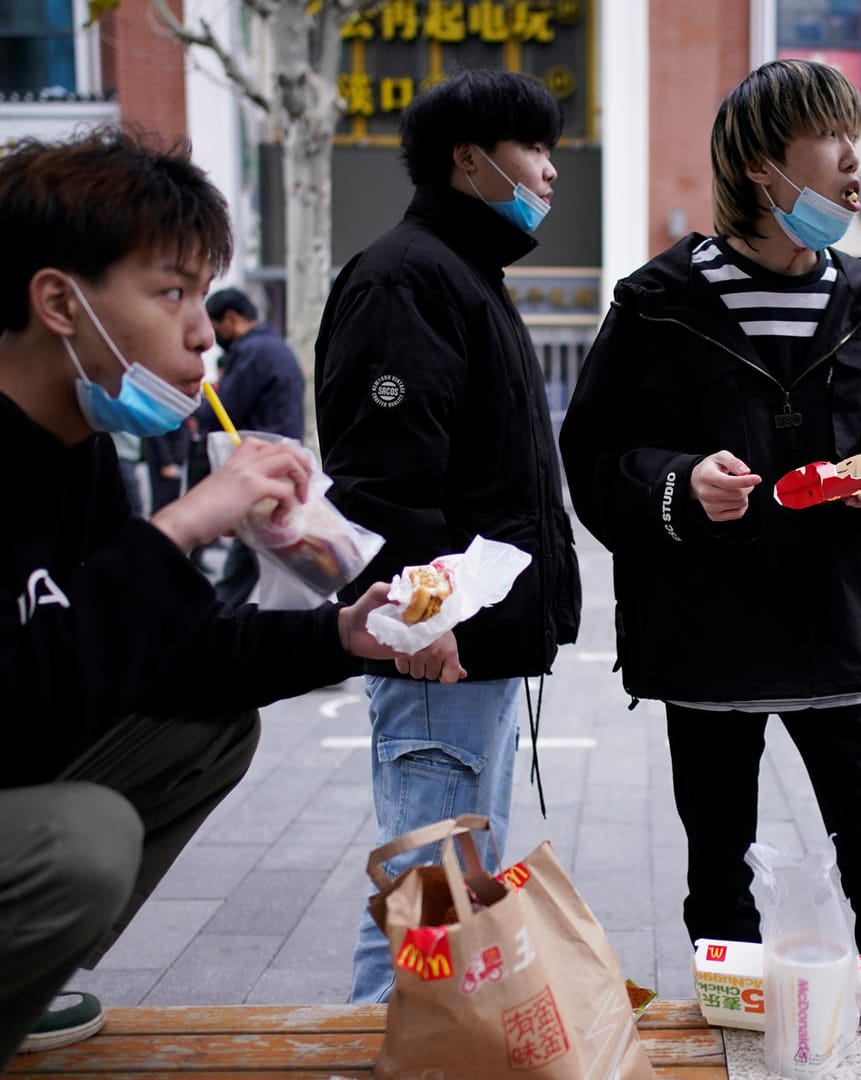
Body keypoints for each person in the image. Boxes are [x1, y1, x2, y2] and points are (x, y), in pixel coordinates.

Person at [0, 129, 461, 1080]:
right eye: (170, 291)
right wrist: (179, 529)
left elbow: (170, 660)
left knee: (208, 731)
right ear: (59, 301)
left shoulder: (68, 443)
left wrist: (346, 634)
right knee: (81, 845)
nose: (200, 330)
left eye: (199, 291)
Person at [559, 59, 861, 992]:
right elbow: (595, 458)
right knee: (719, 884)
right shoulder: (656, 303)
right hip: (706, 646)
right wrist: (678, 486)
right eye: (834, 140)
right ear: (766, 167)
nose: (856, 162)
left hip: (839, 641)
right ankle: (737, 1033)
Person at [312, 68, 581, 1004]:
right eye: (533, 149)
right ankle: (381, 1051)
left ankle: (418, 1055)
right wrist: (424, 620)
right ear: (469, 161)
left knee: (449, 897)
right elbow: (382, 480)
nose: (551, 172)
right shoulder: (407, 279)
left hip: (472, 643)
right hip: (442, 648)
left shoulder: (463, 274)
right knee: (429, 904)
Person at [197, 287, 306, 607]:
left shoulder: (251, 353)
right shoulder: (276, 348)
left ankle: (210, 625)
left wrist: (202, 409)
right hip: (282, 465)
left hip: (261, 469)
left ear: (229, 320)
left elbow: (222, 410)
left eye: (215, 328)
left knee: (244, 563)